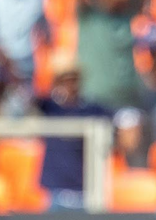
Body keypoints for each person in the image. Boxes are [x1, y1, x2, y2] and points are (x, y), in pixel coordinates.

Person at [35, 56, 110, 211]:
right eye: (64, 81)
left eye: (73, 80)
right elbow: (26, 98)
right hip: (55, 191)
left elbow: (118, 116)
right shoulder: (48, 108)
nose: (70, 86)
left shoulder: (90, 109)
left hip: (83, 189)